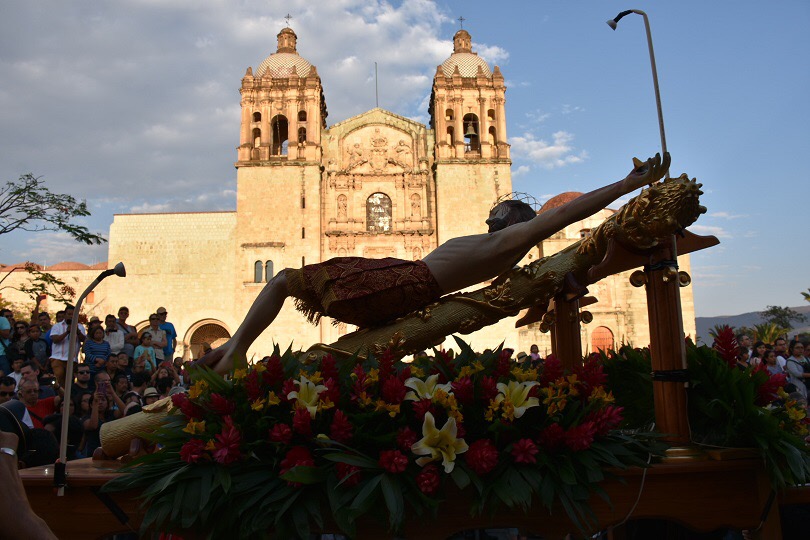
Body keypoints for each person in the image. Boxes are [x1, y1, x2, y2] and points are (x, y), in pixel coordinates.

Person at [202, 153, 671, 373]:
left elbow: (568, 212)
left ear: (514, 221)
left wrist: (627, 182)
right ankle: (236, 348)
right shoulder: (501, 245)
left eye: (498, 212)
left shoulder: (512, 238)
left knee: (285, 278)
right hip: (400, 284)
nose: (490, 214)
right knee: (286, 281)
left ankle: (237, 347)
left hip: (400, 283)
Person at [48, 305, 86, 388]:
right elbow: (55, 339)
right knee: (59, 378)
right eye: (69, 314)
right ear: (65, 314)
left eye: (73, 314)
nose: (71, 316)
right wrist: (67, 332)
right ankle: (58, 396)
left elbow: (83, 339)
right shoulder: (57, 326)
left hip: (72, 359)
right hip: (58, 358)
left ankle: (67, 398)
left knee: (69, 382)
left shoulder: (80, 327)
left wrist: (77, 331)